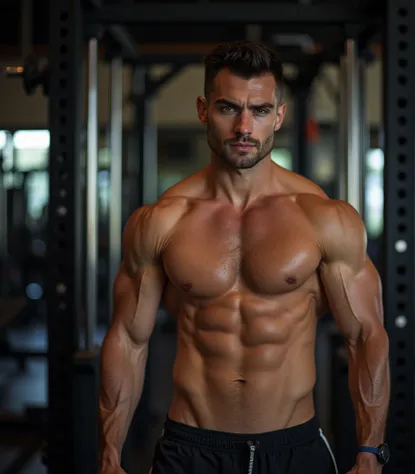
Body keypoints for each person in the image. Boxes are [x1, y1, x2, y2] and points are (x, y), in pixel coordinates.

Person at [98, 41, 390, 474]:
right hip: (190, 447)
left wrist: (370, 451)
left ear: (280, 115)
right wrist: (110, 453)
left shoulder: (323, 218)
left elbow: (366, 335)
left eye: (259, 110)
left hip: (294, 447)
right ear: (203, 110)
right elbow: (127, 338)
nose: (244, 127)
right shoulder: (162, 221)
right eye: (228, 108)